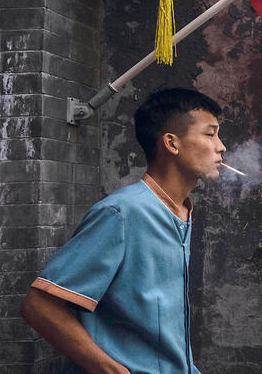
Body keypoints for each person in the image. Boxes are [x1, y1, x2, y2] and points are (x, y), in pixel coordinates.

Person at [20, 88, 226, 373]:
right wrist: (111, 370)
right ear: (172, 143)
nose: (221, 146)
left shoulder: (180, 211)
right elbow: (39, 305)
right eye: (210, 134)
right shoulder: (123, 213)